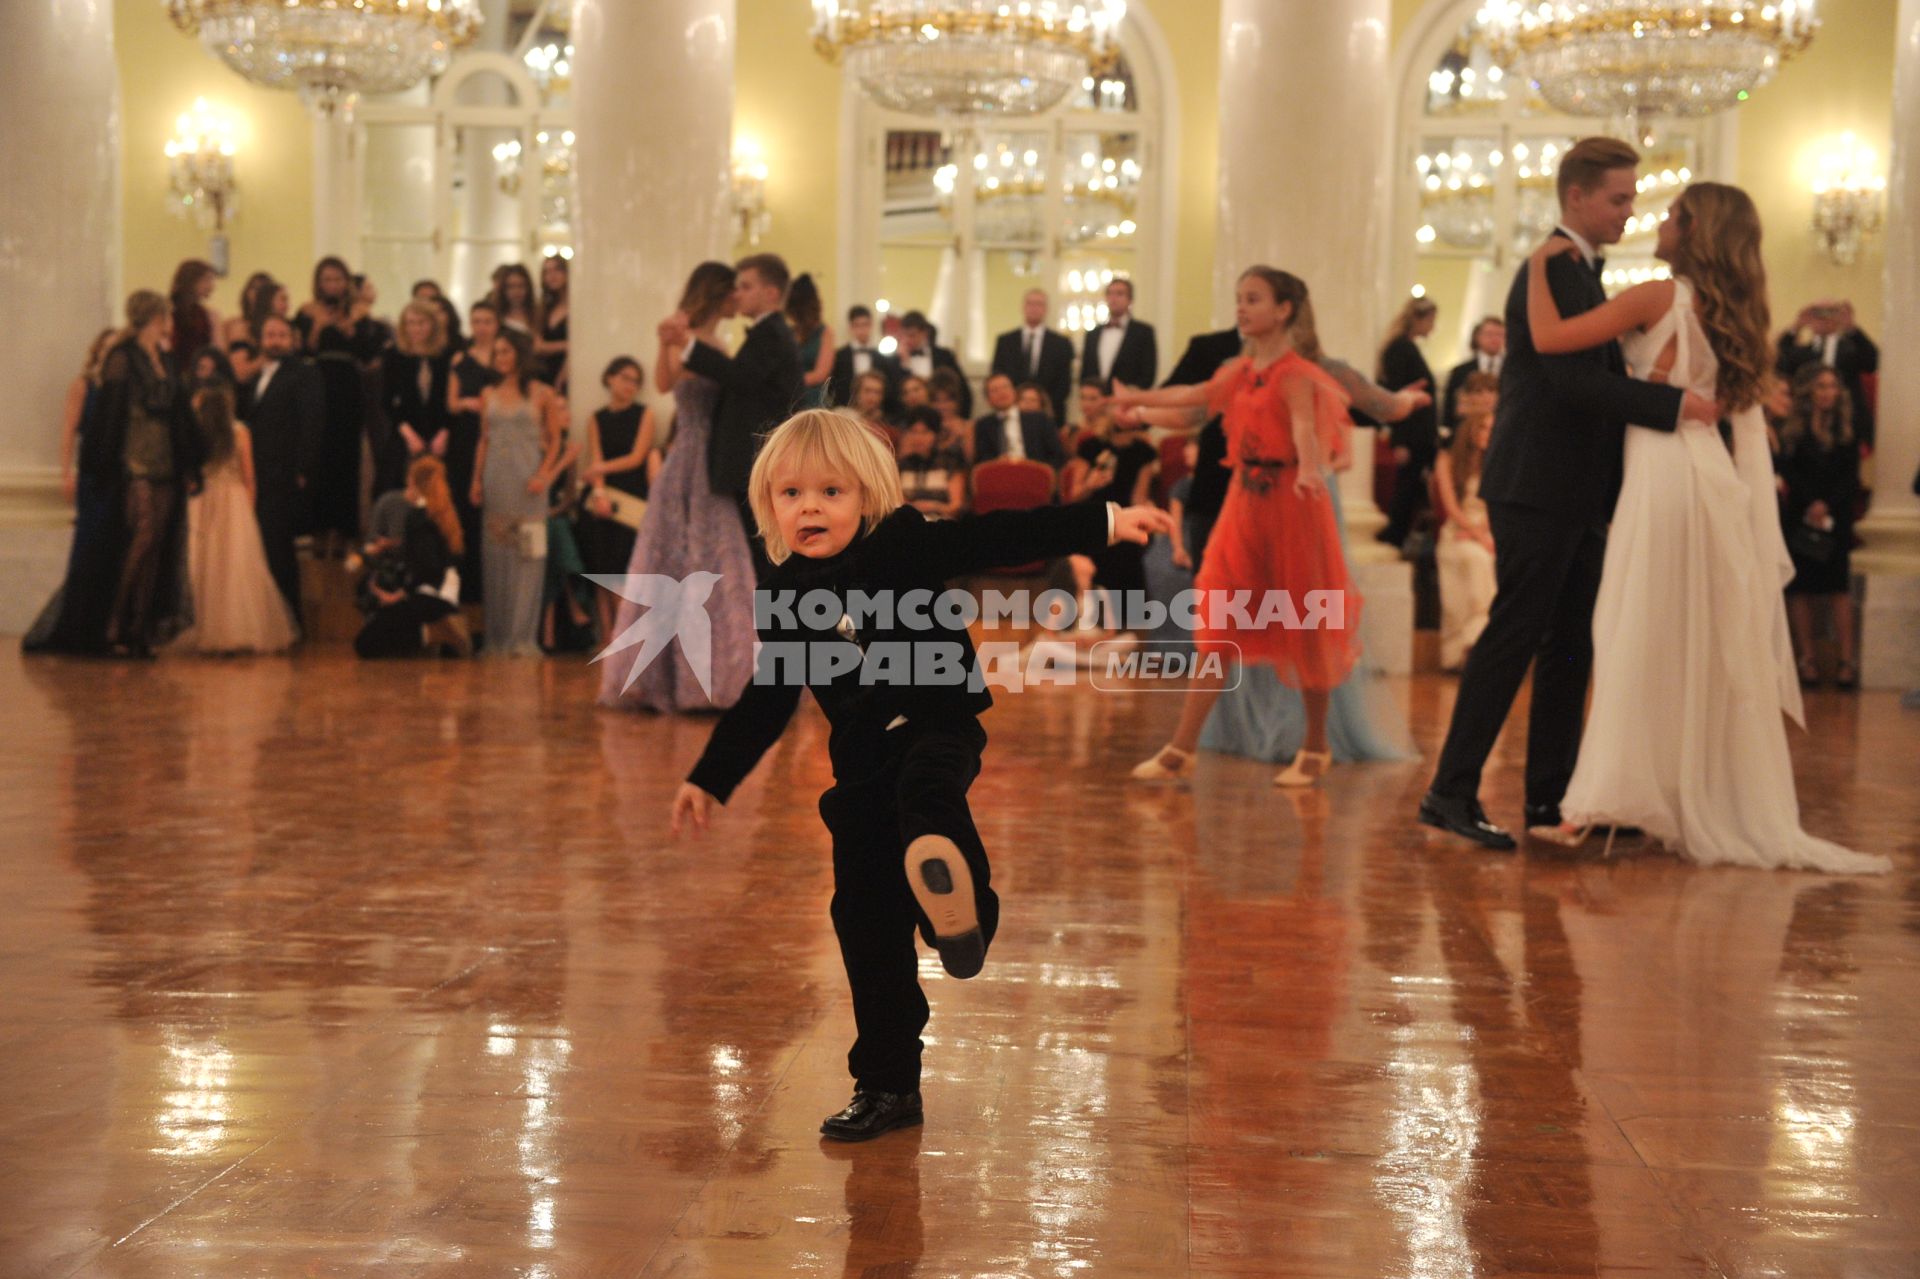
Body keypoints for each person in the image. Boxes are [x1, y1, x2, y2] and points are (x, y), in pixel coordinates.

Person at [669, 408, 1169, 1141]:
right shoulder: (783, 590)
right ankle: (887, 1084)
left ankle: (966, 918)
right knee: (863, 924)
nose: (809, 506)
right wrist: (712, 776)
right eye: (791, 494)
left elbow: (1001, 534)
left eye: (831, 492)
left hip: (938, 726)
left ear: (868, 495)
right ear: (768, 504)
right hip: (861, 762)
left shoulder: (904, 543)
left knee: (927, 798)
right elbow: (770, 695)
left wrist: (1105, 518)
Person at [1516, 180, 1887, 873]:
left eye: (1671, 215)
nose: (1657, 221)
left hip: (1661, 477)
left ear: (1693, 232)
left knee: (1633, 632)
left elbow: (1550, 338)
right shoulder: (1738, 314)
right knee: (1685, 637)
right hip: (1706, 481)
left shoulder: (1659, 296)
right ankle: (1669, 795)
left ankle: (1599, 801)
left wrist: (1539, 265)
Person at [1418, 137, 1719, 851]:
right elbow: (1567, 381)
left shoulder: (1580, 271)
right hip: (1536, 483)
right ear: (1576, 197)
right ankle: (1450, 791)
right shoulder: (1549, 267)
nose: (1629, 210)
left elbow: (1590, 372)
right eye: (1618, 198)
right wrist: (1673, 408)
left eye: (1632, 198)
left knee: (1569, 644)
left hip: (1573, 487)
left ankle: (1551, 804)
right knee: (1514, 634)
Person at [1118, 268, 1359, 788]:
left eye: (1253, 299)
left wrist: (1312, 470)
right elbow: (1195, 396)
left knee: (1307, 622)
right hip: (1243, 505)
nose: (1242, 308)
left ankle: (1316, 745)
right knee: (1218, 625)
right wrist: (1138, 405)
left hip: (1294, 507)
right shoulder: (1240, 370)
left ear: (1284, 310)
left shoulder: (1297, 372)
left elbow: (1303, 429)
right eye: (1239, 299)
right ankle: (1182, 748)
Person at [598, 261, 759, 713]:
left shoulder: (721, 341)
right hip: (689, 453)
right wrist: (667, 342)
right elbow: (667, 383)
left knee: (716, 559)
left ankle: (718, 674)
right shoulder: (684, 332)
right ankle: (670, 678)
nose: (738, 300)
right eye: (734, 292)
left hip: (713, 454)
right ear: (718, 293)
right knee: (674, 557)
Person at [662, 252, 805, 576]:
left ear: (770, 293)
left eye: (745, 286)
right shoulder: (767, 333)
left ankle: (770, 622)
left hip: (754, 458)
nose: (736, 293)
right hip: (744, 457)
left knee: (760, 551)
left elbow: (741, 377)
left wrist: (688, 345)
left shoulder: (772, 333)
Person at [172, 384, 299, 654]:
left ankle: (208, 630)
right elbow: (249, 476)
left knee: (205, 566)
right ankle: (238, 630)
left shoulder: (197, 435)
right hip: (234, 502)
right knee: (235, 567)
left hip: (203, 502)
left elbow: (187, 477)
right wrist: (248, 511)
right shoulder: (240, 432)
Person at [471, 327, 564, 657]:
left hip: (530, 484)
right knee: (496, 556)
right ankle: (497, 638)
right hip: (497, 481)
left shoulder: (543, 394)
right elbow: (484, 439)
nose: (500, 359)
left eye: (506, 352)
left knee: (529, 558)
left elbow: (555, 440)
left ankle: (522, 639)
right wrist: (475, 480)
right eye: (496, 353)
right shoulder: (487, 394)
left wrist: (543, 475)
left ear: (521, 354)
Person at [1777, 363, 1862, 689]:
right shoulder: (1793, 427)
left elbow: (1850, 476)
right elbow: (1789, 469)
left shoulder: (1847, 427)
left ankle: (1845, 662)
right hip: (1800, 515)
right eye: (1821, 386)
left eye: (1832, 386)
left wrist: (1826, 504)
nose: (1828, 392)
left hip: (1835, 517)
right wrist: (1811, 502)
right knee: (1801, 589)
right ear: (1809, 391)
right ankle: (1807, 660)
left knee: (1838, 589)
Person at [237, 314, 324, 622]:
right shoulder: (256, 375)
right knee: (259, 544)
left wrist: (303, 468)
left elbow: (312, 424)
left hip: (284, 472)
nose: (275, 340)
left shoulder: (303, 374)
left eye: (281, 335)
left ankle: (288, 619)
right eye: (269, 334)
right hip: (256, 471)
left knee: (278, 547)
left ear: (292, 340)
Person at [294, 256, 374, 551]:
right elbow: (302, 349)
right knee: (318, 453)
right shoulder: (306, 310)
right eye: (327, 279)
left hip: (349, 385)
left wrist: (352, 329)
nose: (333, 285)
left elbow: (367, 353)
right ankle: (316, 528)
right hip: (318, 381)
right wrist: (318, 327)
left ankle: (343, 530)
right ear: (319, 282)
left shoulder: (360, 311)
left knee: (345, 455)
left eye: (338, 279)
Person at [355, 456, 468, 659]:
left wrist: (399, 595)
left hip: (427, 596)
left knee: (365, 644)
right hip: (447, 596)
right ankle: (438, 631)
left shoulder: (417, 517)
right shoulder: (444, 512)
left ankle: (435, 633)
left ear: (415, 484)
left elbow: (427, 567)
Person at [578, 355, 658, 639]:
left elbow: (636, 457)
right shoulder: (596, 418)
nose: (630, 386)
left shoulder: (644, 413)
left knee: (625, 570)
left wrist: (599, 468)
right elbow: (595, 455)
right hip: (603, 496)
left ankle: (626, 634)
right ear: (610, 377)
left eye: (636, 381)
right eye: (625, 378)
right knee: (601, 566)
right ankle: (607, 634)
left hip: (633, 494)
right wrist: (598, 491)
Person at [1433, 373, 1499, 671]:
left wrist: (1483, 532)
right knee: (1474, 559)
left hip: (1489, 529)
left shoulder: (1498, 461)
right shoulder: (1447, 460)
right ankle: (1459, 648)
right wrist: (1472, 532)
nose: (1488, 432)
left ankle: (1477, 644)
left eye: (1492, 427)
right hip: (1457, 531)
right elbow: (1450, 507)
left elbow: (1497, 506)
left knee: (1482, 559)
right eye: (1483, 427)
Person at [446, 299, 502, 603]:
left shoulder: (504, 359)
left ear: (496, 324)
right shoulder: (460, 359)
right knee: (466, 509)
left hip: (497, 436)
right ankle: (468, 589)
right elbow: (450, 403)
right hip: (466, 438)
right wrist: (468, 403)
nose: (481, 327)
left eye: (487, 321)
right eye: (476, 320)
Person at [1375, 296, 1440, 548]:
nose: (1432, 328)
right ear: (1419, 319)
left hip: (1418, 432)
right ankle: (1395, 533)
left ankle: (1399, 532)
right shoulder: (1401, 348)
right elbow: (1397, 396)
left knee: (1411, 485)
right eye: (1431, 321)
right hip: (1411, 433)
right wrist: (1399, 440)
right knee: (1407, 485)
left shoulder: (1406, 347)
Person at [1776, 300, 1877, 446]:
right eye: (1818, 313)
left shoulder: (1851, 349)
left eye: (1831, 312)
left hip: (1847, 423)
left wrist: (1851, 327)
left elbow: (1872, 363)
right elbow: (1779, 363)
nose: (1824, 317)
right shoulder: (1802, 352)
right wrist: (1796, 327)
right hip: (1806, 422)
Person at [379, 299, 452, 497]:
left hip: (440, 432)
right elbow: (387, 400)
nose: (416, 328)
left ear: (433, 325)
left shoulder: (446, 355)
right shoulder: (394, 355)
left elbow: (450, 399)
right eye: (410, 323)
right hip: (406, 432)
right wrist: (409, 434)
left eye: (421, 322)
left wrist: (444, 432)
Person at [991, 288, 1075, 416]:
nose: (1034, 308)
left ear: (1046, 309)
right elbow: (998, 376)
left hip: (1049, 414)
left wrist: (1041, 405)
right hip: (1011, 411)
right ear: (1023, 307)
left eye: (1039, 304)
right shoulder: (1005, 341)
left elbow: (1064, 384)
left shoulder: (1061, 343)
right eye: (1030, 303)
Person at [972, 372, 1065, 468]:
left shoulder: (1039, 419)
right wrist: (998, 461)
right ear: (988, 400)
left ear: (1014, 391)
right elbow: (982, 460)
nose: (1001, 392)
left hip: (1034, 474)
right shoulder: (984, 425)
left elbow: (1057, 456)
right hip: (1001, 474)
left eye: (1005, 387)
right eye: (994, 390)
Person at [1080, 277, 1157, 392]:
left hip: (1128, 402)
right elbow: (1086, 371)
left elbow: (1148, 373)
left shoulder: (1143, 332)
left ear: (1130, 299)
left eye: (1119, 294)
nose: (1113, 298)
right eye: (1110, 294)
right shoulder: (1093, 334)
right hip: (1096, 403)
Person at [895, 407, 967, 517]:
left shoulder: (950, 462)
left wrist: (934, 506)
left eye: (925, 432)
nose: (919, 438)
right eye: (914, 432)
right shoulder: (902, 466)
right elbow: (897, 504)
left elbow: (956, 506)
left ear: (936, 434)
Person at [895, 312, 970, 417]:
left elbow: (962, 389)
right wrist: (905, 365)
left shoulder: (944, 355)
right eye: (904, 335)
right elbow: (897, 395)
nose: (908, 340)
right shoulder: (896, 360)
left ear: (925, 333)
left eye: (912, 335)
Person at [826, 304, 901, 408]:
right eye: (857, 325)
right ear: (851, 327)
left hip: (876, 412)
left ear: (871, 325)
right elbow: (832, 387)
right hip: (846, 409)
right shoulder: (839, 356)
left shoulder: (882, 357)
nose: (862, 329)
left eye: (865, 324)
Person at [1442, 316, 1505, 434]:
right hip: (1466, 433)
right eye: (1489, 334)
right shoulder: (1460, 371)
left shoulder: (1511, 371)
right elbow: (1450, 407)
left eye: (1499, 335)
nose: (1495, 339)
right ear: (1478, 336)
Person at [788, 273, 836, 409]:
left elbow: (821, 373)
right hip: (789, 396)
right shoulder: (789, 332)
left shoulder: (825, 332)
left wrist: (789, 381)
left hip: (813, 399)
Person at [169, 259, 223, 369]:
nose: (211, 286)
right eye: (206, 280)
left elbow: (219, 351)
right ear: (191, 281)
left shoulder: (205, 314)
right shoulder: (170, 310)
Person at [533, 254, 570, 390]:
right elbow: (537, 346)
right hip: (544, 370)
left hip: (569, 371)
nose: (552, 275)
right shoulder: (544, 308)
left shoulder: (577, 308)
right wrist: (567, 345)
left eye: (557, 270)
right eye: (547, 272)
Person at [490, 263, 539, 336]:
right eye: (511, 287)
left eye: (521, 286)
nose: (516, 292)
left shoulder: (538, 314)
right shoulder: (494, 315)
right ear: (503, 289)